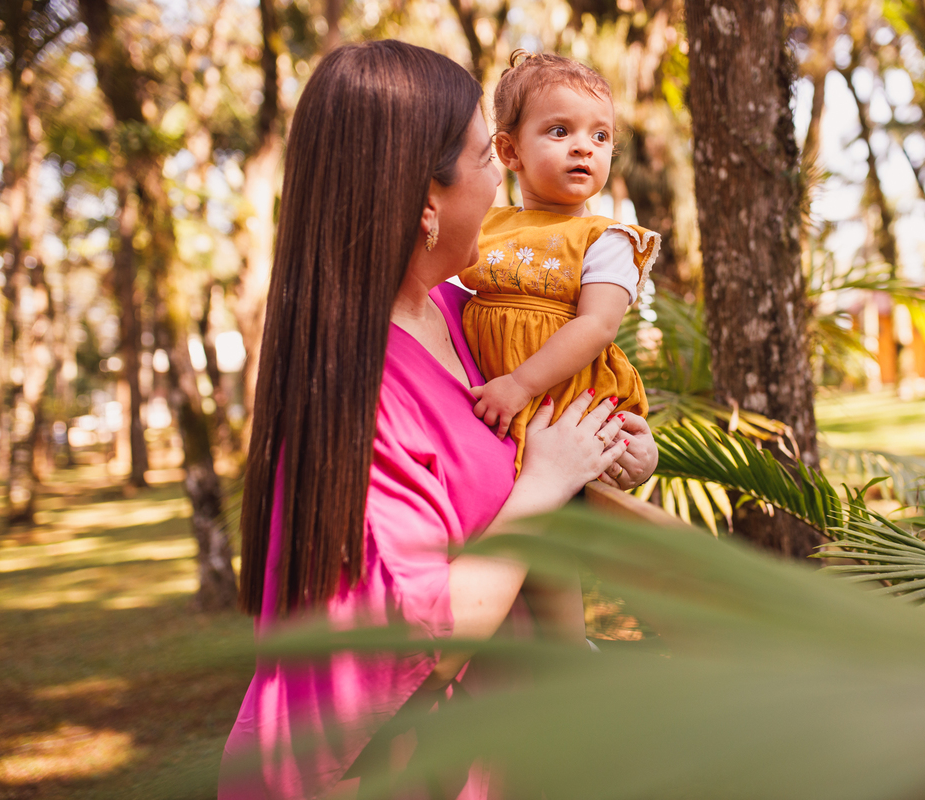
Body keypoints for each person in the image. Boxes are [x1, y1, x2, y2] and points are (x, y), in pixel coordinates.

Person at [218, 41, 657, 800]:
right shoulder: (361, 390)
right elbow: (421, 635)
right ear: (426, 197)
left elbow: (544, 411)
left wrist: (616, 445)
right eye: (489, 156)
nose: (501, 182)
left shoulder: (465, 317)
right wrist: (546, 482)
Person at [460, 52, 661, 474]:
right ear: (509, 151)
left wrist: (519, 385)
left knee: (616, 458)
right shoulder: (488, 224)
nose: (584, 146)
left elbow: (597, 326)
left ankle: (632, 461)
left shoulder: (607, 240)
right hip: (496, 401)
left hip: (562, 398)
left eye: (601, 136)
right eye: (559, 130)